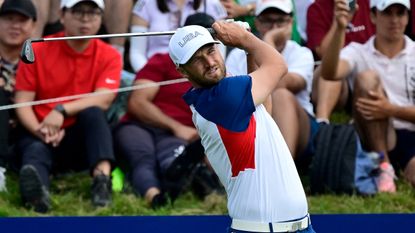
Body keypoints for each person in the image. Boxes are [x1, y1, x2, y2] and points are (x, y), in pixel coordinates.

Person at [169, 20, 315, 232]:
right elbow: (278, 65)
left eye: (211, 50)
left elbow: (264, 110)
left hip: (299, 226)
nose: (210, 62)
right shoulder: (221, 97)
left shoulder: (225, 96)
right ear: (183, 71)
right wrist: (244, 38)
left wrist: (248, 52)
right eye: (197, 60)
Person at [14, 0, 122, 212]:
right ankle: (37, 196)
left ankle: (102, 181)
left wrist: (62, 110)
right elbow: (22, 102)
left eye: (92, 13)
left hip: (79, 137)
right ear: (62, 16)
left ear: (101, 19)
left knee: (94, 114)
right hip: (40, 131)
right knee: (34, 150)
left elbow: (104, 98)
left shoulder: (110, 55)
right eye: (78, 11)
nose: (85, 19)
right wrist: (40, 131)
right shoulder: (38, 48)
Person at [113, 12, 220, 209]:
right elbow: (138, 102)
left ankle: (189, 184)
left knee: (173, 160)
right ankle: (155, 198)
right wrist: (176, 127)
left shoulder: (216, 73)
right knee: (143, 157)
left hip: (179, 137)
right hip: (139, 126)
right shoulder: (162, 60)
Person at [320, 0, 415, 193]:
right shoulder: (358, 50)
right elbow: (330, 73)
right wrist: (340, 28)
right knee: (367, 78)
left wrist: (389, 109)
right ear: (373, 16)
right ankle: (384, 166)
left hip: (409, 134)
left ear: (407, 17)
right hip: (371, 134)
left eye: (400, 13)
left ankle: (392, 170)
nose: (395, 20)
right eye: (387, 13)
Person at [226, 0, 316, 162]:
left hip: (301, 127)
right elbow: (232, 96)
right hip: (253, 124)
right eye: (268, 21)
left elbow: (280, 83)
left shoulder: (302, 53)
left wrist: (268, 41)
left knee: (281, 95)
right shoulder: (235, 56)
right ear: (258, 23)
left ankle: (283, 170)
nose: (274, 27)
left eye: (280, 20)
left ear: (291, 22)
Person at [307, 0, 376, 124]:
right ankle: (322, 123)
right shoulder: (316, 8)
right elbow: (323, 53)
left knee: (368, 77)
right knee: (332, 66)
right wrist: (339, 24)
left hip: (366, 73)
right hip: (335, 82)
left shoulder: (371, 5)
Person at [128, 0, 227, 73]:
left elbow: (220, 50)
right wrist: (150, 76)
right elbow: (137, 53)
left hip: (201, 71)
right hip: (155, 73)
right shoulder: (145, 4)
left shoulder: (213, 4)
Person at [0, 0, 37, 192]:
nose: (15, 25)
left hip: (26, 134)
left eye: (22, 20)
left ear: (33, 26)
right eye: (8, 19)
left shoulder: (41, 61)